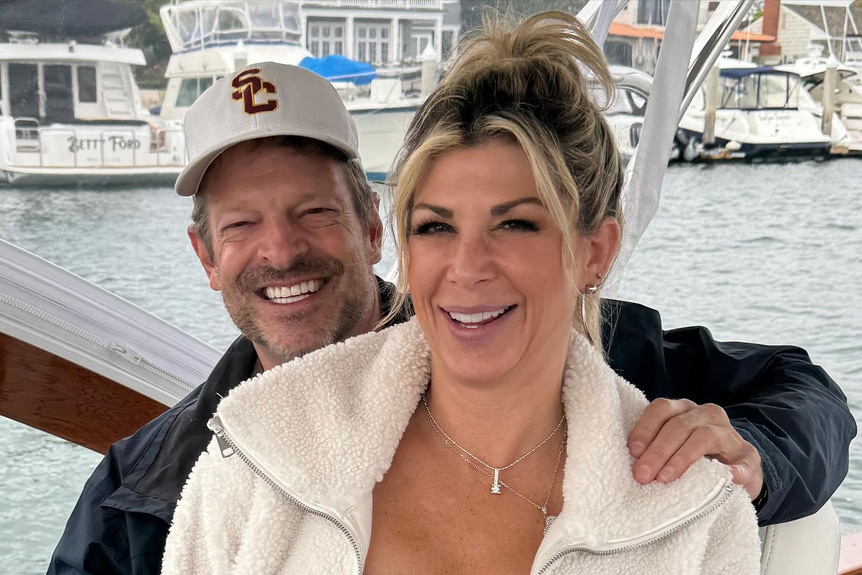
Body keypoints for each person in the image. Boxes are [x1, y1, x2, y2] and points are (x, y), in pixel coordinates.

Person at [49, 54, 854, 575]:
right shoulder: (161, 481)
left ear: (370, 226)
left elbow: (802, 388)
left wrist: (755, 457)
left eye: (312, 213)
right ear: (204, 257)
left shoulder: (553, 343)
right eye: (241, 226)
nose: (281, 251)